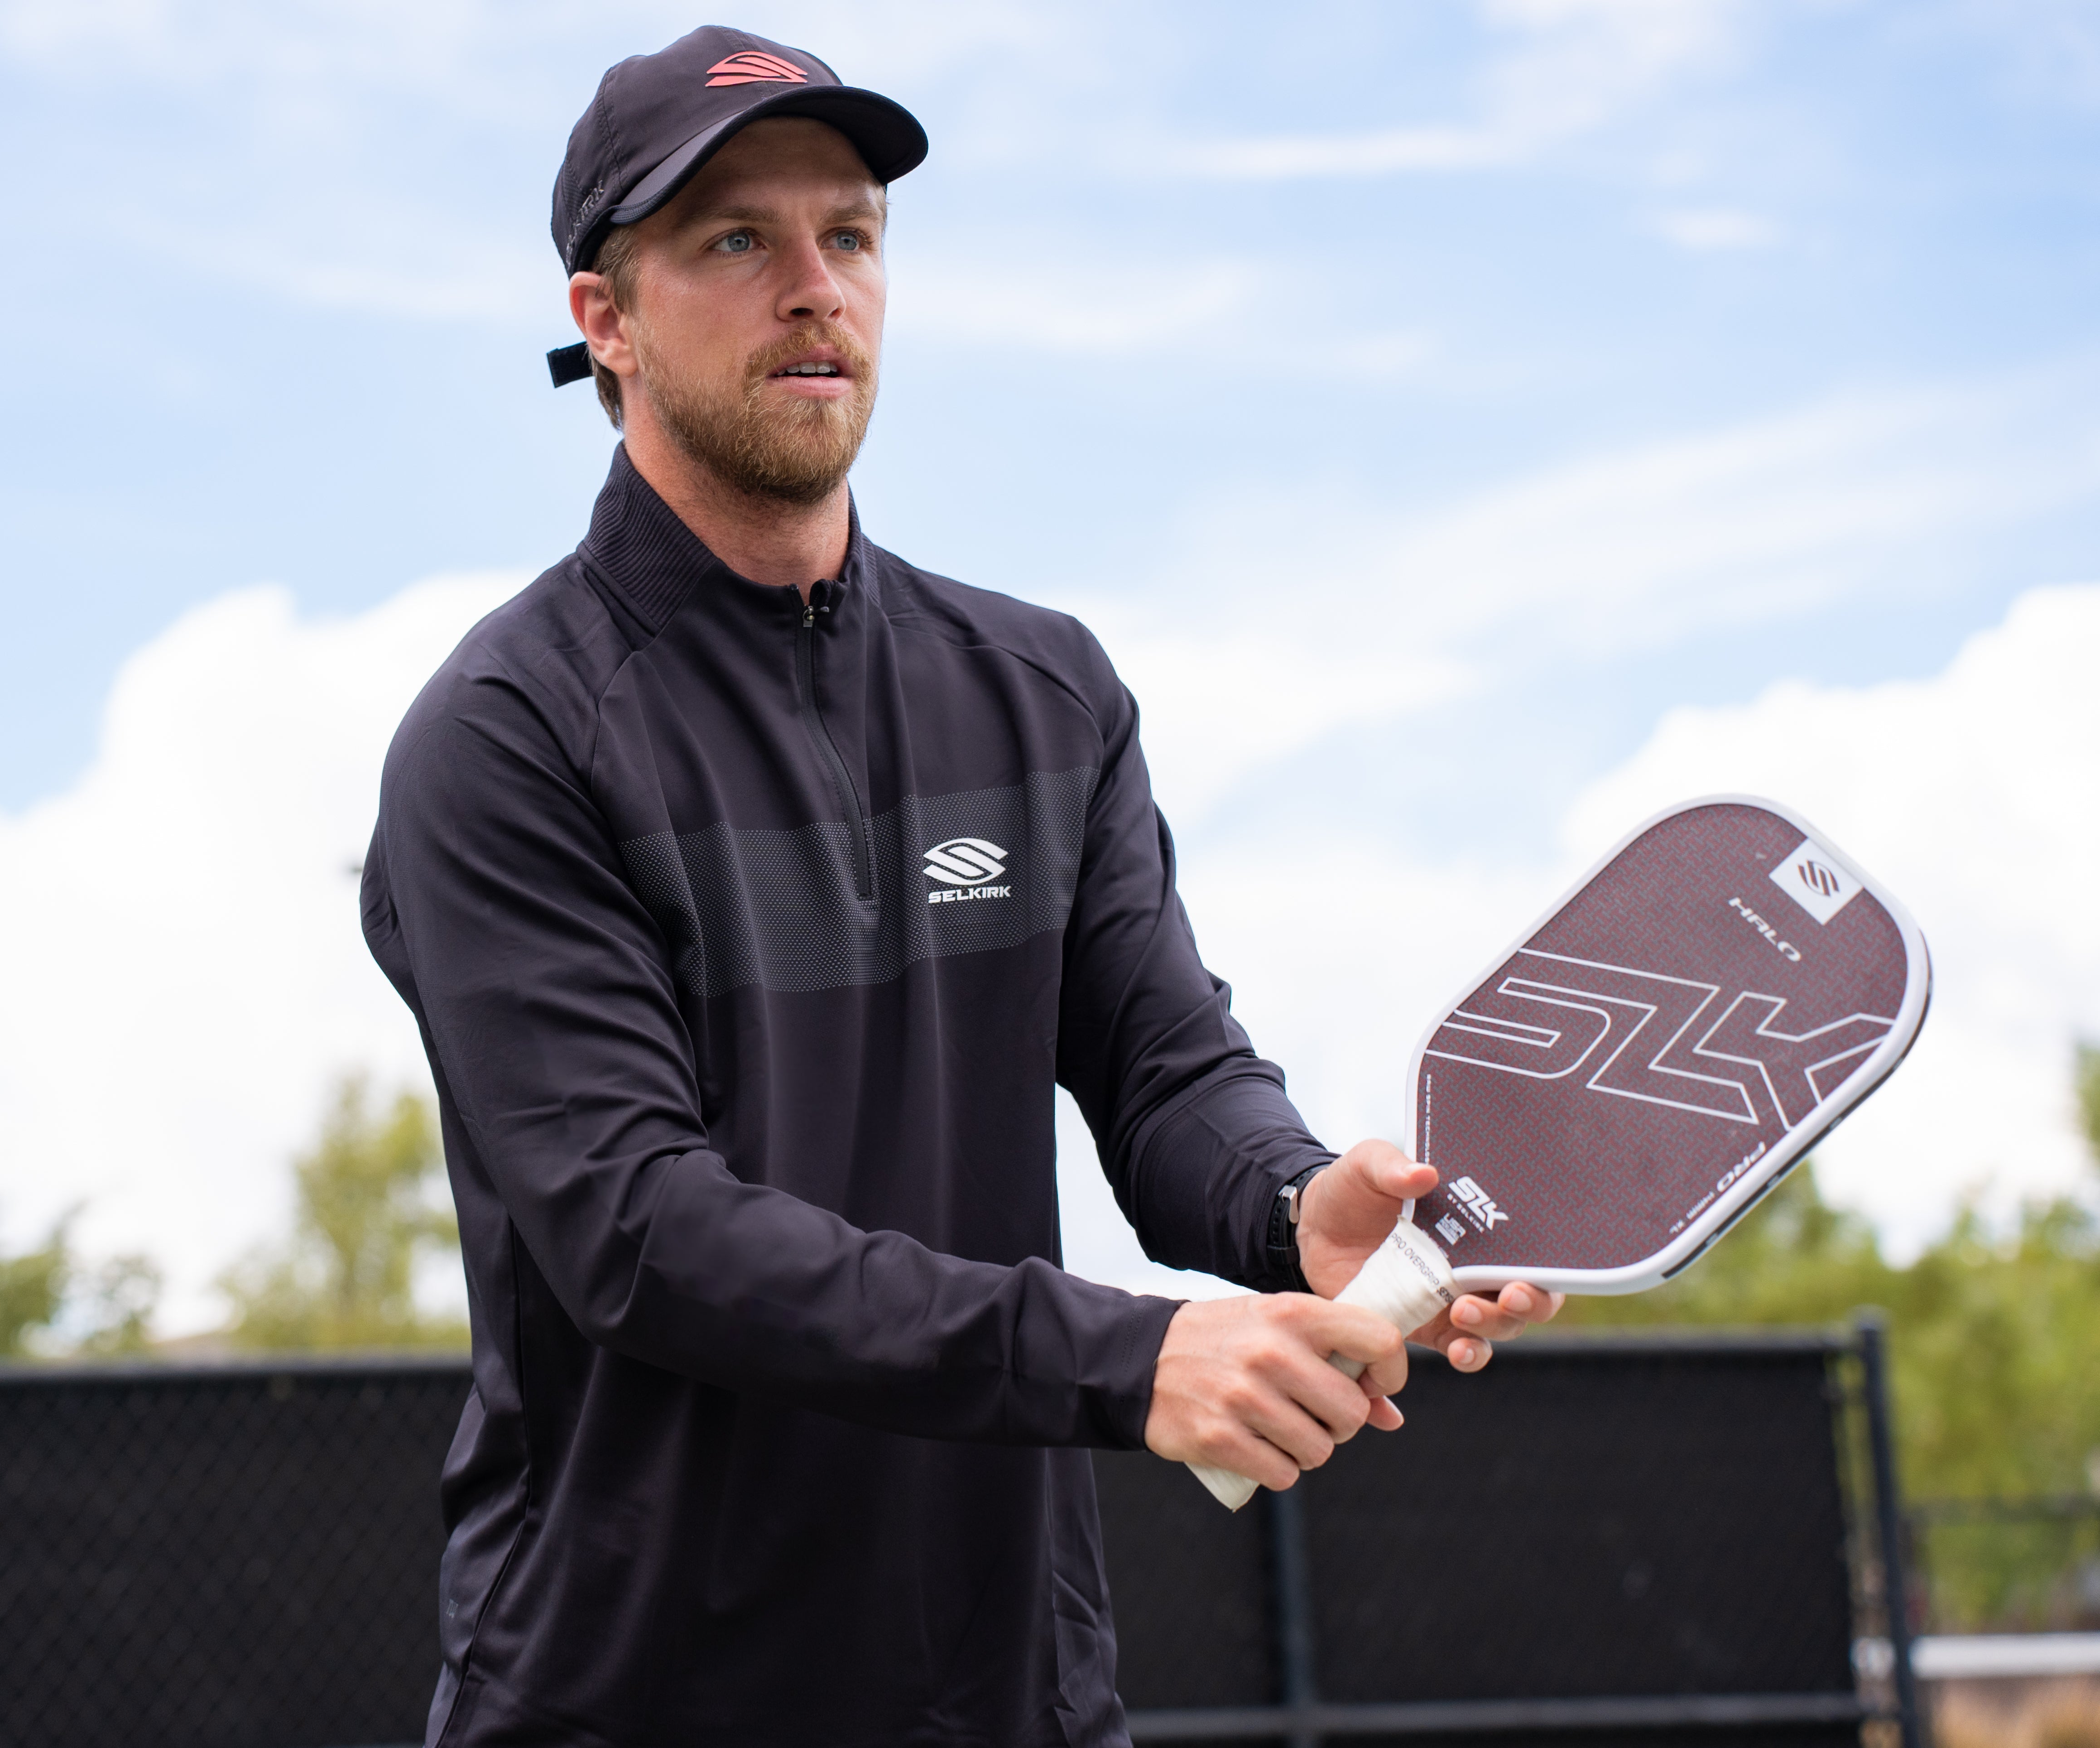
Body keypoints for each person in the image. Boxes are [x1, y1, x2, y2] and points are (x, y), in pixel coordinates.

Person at [361, 26, 1561, 1747]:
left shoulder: (1041, 689)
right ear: (603, 319)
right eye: (732, 241)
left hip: (1008, 1696)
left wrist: (1298, 1206)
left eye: (847, 235)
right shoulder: (507, 736)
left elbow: (1162, 1069)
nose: (811, 288)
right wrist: (1132, 1359)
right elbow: (641, 1231)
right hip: (623, 1694)